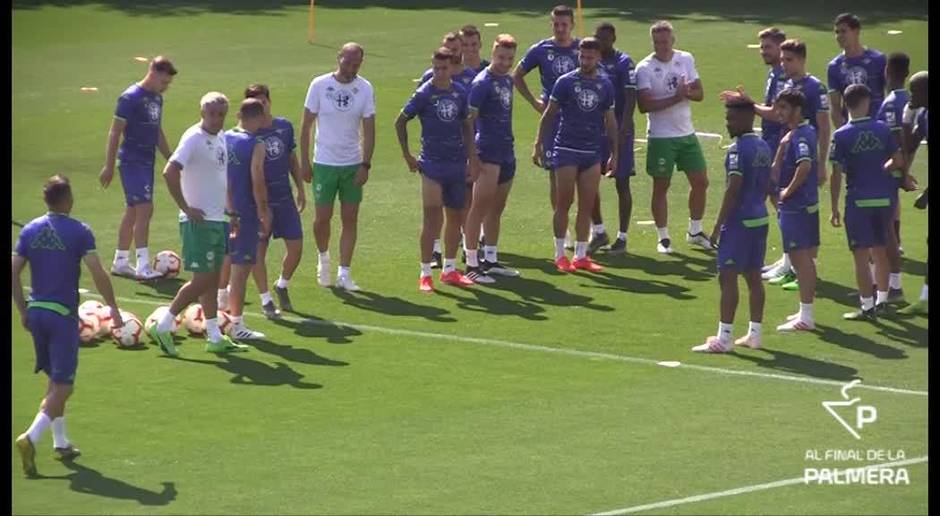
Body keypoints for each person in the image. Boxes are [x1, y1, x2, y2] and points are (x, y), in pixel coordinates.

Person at [13, 175, 124, 476]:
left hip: (37, 314)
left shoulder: (31, 231)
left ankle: (61, 442)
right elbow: (98, 273)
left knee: (54, 382)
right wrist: (112, 307)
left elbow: (13, 271)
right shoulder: (79, 232)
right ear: (67, 199)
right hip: (61, 316)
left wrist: (23, 309)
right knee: (64, 385)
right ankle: (31, 437)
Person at [148, 92, 249, 356]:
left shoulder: (221, 138)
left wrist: (230, 212)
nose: (216, 119)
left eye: (221, 115)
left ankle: (214, 336)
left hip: (218, 220)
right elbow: (170, 171)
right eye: (212, 114)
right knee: (202, 280)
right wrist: (184, 207)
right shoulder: (193, 137)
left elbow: (220, 176)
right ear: (202, 112)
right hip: (199, 222)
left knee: (212, 280)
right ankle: (165, 323)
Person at [396, 47, 479, 291]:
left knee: (456, 217)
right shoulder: (424, 93)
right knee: (432, 217)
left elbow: (466, 125)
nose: (440, 73)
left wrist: (472, 158)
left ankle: (450, 270)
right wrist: (408, 156)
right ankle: (425, 273)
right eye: (436, 68)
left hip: (456, 163)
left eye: (444, 68)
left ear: (451, 68)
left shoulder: (460, 92)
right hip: (431, 164)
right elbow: (400, 121)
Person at [693, 100, 771, 352]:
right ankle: (754, 334)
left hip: (740, 223)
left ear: (748, 118)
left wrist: (717, 227)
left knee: (727, 277)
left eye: (732, 119)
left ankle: (724, 338)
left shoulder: (737, 150)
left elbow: (733, 187)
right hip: (760, 218)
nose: (728, 123)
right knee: (754, 277)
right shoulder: (763, 146)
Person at [534, 37, 617, 273]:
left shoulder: (605, 85)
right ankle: (560, 254)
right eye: (582, 56)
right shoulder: (565, 82)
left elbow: (610, 122)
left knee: (587, 204)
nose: (585, 61)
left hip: (591, 152)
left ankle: (581, 255)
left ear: (598, 57)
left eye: (590, 57)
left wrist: (615, 153)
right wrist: (538, 142)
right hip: (566, 149)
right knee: (564, 203)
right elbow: (549, 114)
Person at [301, 42, 376, 292]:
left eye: (356, 65)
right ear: (339, 58)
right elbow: (306, 125)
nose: (351, 69)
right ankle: (323, 258)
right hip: (324, 162)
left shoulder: (365, 89)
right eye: (348, 63)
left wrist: (365, 163)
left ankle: (344, 272)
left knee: (350, 218)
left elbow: (369, 127)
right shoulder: (319, 85)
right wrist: (304, 161)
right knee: (322, 218)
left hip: (351, 163)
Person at [829, 84, 905, 320]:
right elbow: (898, 160)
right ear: (867, 102)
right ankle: (882, 300)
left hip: (858, 202)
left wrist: (833, 207)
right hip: (884, 199)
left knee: (861, 256)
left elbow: (836, 173)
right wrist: (884, 169)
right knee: (880, 252)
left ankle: (867, 306)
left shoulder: (841, 135)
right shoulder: (882, 129)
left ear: (845, 103)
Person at [635, 21, 712, 254]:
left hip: (686, 132)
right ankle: (663, 237)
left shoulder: (685, 59)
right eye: (657, 43)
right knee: (661, 185)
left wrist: (686, 92)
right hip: (661, 136)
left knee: (701, 182)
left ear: (673, 40)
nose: (662, 47)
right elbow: (644, 105)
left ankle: (695, 231)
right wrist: (678, 97)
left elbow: (699, 93)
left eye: (665, 42)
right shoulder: (645, 68)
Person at [100, 56, 177, 280]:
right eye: (164, 82)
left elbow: (157, 131)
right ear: (152, 73)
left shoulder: (157, 99)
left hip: (146, 161)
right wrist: (108, 165)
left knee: (133, 211)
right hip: (132, 161)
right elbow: (115, 131)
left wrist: (171, 158)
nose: (166, 87)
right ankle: (143, 265)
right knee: (145, 209)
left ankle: (121, 261)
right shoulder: (130, 97)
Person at [514, 5, 580, 247]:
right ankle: (564, 230)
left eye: (564, 24)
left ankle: (591, 226)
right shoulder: (541, 49)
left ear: (572, 24)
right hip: (553, 121)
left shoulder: (581, 48)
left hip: (580, 121)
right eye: (556, 24)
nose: (560, 28)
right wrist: (534, 103)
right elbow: (517, 75)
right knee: (555, 175)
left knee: (585, 174)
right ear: (551, 25)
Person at [245, 84, 307, 317]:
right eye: (255, 103)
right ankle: (265, 299)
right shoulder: (248, 134)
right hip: (259, 202)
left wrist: (300, 188)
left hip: (284, 197)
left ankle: (281, 285)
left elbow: (291, 158)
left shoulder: (284, 126)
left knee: (296, 246)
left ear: (269, 102)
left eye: (263, 102)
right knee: (258, 250)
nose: (260, 106)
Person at [463, 34, 521, 279]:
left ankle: (492, 259)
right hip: (487, 151)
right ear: (493, 52)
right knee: (478, 208)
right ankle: (472, 264)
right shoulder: (482, 82)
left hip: (506, 150)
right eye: (501, 57)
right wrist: (472, 157)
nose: (505, 63)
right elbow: (468, 122)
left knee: (496, 209)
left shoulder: (507, 80)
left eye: (509, 58)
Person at [222, 98, 272, 340]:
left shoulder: (224, 137)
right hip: (244, 213)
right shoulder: (255, 143)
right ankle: (237, 325)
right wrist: (263, 211)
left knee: (219, 264)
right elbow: (257, 178)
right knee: (241, 270)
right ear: (258, 117)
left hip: (220, 210)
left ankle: (215, 318)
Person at [771, 88, 820, 332]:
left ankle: (806, 317)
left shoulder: (800, 136)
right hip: (807, 204)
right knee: (806, 261)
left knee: (801, 262)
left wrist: (787, 191)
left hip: (796, 206)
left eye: (783, 108)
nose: (778, 112)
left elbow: (805, 165)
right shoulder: (803, 132)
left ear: (797, 110)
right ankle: (805, 311)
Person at [588, 22, 637, 255]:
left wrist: (624, 127)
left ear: (614, 38)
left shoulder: (624, 62)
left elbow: (630, 96)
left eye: (606, 39)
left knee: (622, 182)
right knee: (588, 181)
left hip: (619, 130)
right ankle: (598, 230)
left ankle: (623, 237)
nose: (602, 42)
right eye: (599, 38)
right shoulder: (591, 60)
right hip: (594, 131)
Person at [876, 53, 918, 303]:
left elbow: (893, 142)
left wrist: (898, 172)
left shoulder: (891, 103)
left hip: (889, 172)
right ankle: (882, 285)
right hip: (898, 169)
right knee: (887, 227)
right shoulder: (911, 101)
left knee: (883, 232)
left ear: (887, 71)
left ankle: (892, 287)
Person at [898, 70, 929, 316]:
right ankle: (925, 299)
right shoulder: (925, 114)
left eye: (914, 91)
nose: (911, 95)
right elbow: (910, 144)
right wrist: (907, 117)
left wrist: (926, 194)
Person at [827, 13, 887, 128]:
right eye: (837, 32)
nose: (839, 36)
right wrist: (843, 132)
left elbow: (890, 93)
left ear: (856, 31)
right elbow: (835, 107)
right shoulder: (834, 66)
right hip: (852, 127)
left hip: (878, 124)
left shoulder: (878, 59)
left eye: (843, 31)